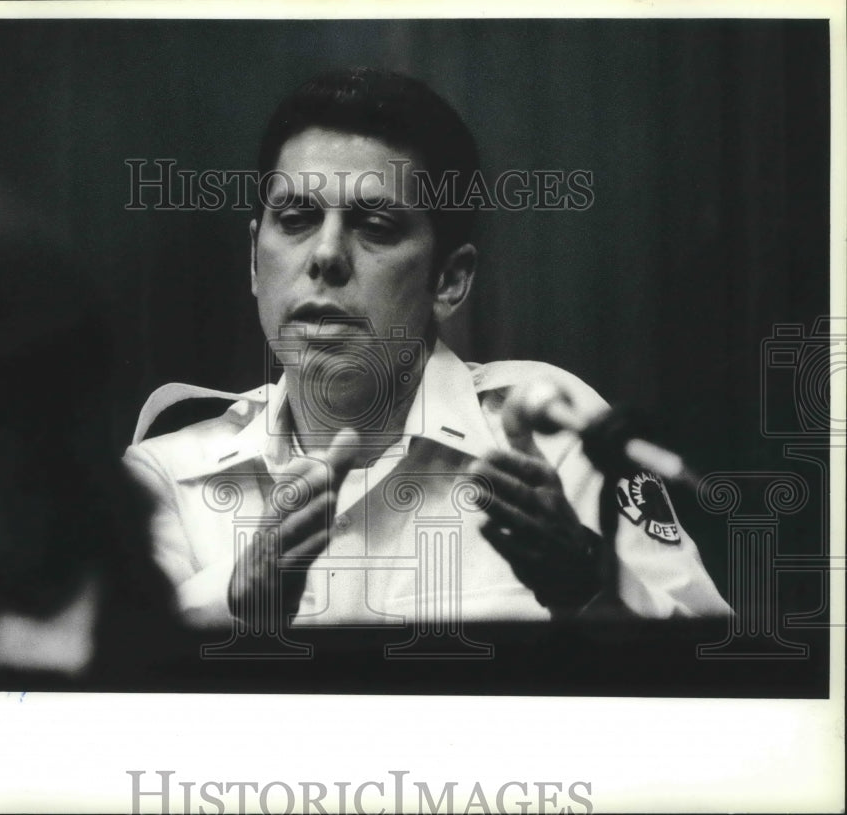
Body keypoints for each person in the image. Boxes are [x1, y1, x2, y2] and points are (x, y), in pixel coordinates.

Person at [123, 67, 730, 630]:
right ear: (256, 258)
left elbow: (717, 681)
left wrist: (588, 586)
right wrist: (235, 603)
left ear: (449, 280)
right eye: (297, 217)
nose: (326, 255)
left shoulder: (556, 441)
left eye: (376, 226)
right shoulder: (167, 477)